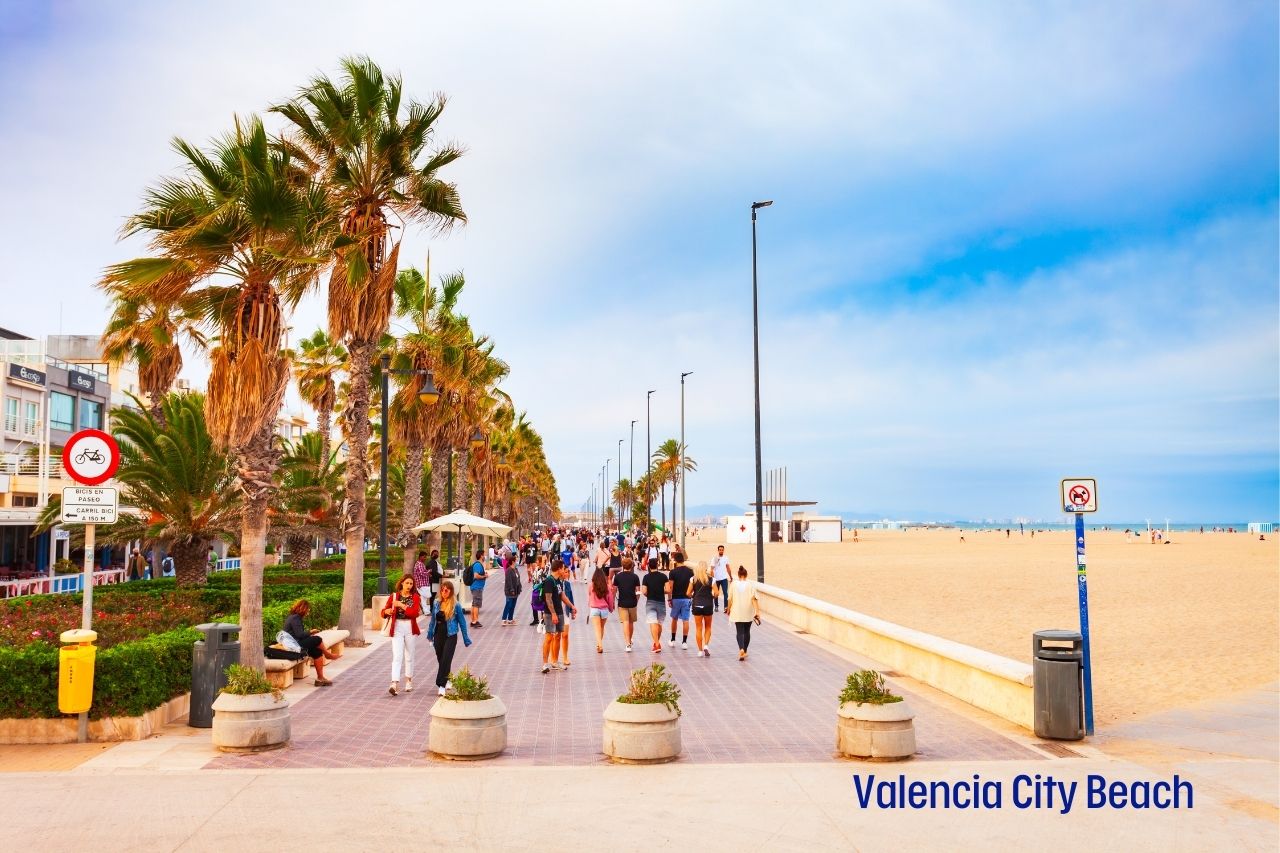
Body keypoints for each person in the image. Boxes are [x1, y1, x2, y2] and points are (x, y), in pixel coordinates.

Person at [426, 580, 472, 696]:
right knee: (441, 659)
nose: (444, 592)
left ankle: (441, 685)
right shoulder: (436, 603)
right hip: (438, 635)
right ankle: (448, 679)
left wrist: (466, 638)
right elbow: (432, 621)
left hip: (450, 635)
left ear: (451, 591)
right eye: (442, 590)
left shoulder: (456, 605)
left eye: (447, 590)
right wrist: (430, 635)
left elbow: (462, 623)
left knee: (446, 658)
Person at [380, 574, 423, 696]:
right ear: (402, 583)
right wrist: (387, 611)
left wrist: (402, 605)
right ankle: (394, 683)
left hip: (410, 627)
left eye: (411, 584)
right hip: (397, 627)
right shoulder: (394, 596)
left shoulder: (415, 597)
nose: (409, 586)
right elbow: (383, 611)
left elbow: (414, 613)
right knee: (397, 655)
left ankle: (409, 680)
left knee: (409, 655)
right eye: (407, 583)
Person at [283, 599, 338, 686]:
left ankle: (320, 678)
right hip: (293, 645)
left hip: (295, 643)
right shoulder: (295, 618)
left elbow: (298, 635)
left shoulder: (295, 617)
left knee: (317, 651)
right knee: (317, 639)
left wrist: (309, 635)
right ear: (303, 608)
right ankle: (327, 654)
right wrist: (311, 632)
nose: (309, 611)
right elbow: (299, 634)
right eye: (308, 609)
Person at [540, 563, 578, 673]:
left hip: (560, 612)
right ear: (558, 569)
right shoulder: (549, 581)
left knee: (557, 637)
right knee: (549, 638)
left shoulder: (558, 581)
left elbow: (562, 596)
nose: (564, 570)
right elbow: (548, 599)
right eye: (562, 568)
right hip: (550, 614)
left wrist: (571, 606)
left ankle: (555, 662)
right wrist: (553, 614)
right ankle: (545, 664)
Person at [726, 565, 760, 661]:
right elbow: (754, 599)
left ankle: (741, 649)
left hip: (737, 611)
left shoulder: (733, 584)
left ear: (738, 575)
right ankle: (744, 650)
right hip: (748, 611)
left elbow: (729, 599)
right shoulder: (750, 585)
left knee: (739, 631)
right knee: (747, 631)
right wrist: (757, 612)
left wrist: (728, 609)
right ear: (746, 575)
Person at [610, 556, 641, 652]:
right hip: (632, 602)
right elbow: (638, 591)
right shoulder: (635, 577)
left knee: (625, 623)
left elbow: (614, 590)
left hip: (622, 602)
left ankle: (627, 644)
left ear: (623, 566)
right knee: (631, 623)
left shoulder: (618, 576)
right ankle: (630, 640)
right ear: (631, 566)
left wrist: (612, 602)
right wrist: (637, 600)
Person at [641, 558, 671, 653]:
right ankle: (657, 643)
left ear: (649, 566)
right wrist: (660, 590)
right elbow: (668, 590)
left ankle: (656, 644)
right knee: (659, 623)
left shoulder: (646, 577)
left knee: (653, 623)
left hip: (650, 602)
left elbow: (644, 591)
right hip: (661, 602)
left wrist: (650, 593)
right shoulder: (663, 576)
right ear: (657, 565)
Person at [667, 551, 694, 649]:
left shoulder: (673, 572)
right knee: (685, 620)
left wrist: (669, 599)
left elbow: (670, 587)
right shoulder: (690, 572)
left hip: (676, 598)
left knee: (674, 619)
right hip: (687, 598)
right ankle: (684, 642)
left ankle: (673, 639)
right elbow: (692, 586)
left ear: (675, 560)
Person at [690, 560, 716, 656]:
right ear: (706, 568)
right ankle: (706, 645)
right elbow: (716, 593)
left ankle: (700, 650)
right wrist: (712, 596)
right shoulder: (711, 579)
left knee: (698, 628)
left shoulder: (693, 579)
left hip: (697, 605)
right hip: (708, 605)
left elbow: (688, 593)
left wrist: (693, 595)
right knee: (708, 626)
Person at [587, 567, 614, 654]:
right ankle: (599, 644)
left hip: (594, 608)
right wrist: (610, 608)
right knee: (601, 628)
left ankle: (600, 645)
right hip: (604, 610)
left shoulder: (591, 585)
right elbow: (610, 598)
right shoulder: (606, 586)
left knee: (597, 628)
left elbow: (589, 596)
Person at [468, 549, 487, 628]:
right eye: (484, 555)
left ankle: (473, 620)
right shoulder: (478, 565)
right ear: (481, 555)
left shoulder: (478, 564)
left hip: (476, 586)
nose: (485, 556)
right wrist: (484, 576)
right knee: (476, 604)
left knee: (474, 604)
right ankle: (475, 620)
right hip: (477, 587)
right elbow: (476, 575)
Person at [502, 555, 523, 625]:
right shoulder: (508, 570)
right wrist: (511, 590)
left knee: (513, 605)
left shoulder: (515, 569)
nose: (517, 561)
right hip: (510, 591)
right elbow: (509, 581)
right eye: (516, 560)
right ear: (513, 561)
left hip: (516, 590)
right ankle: (504, 619)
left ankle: (510, 619)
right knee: (508, 604)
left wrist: (520, 587)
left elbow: (518, 579)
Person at [710, 545, 731, 612]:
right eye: (720, 550)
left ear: (723, 550)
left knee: (726, 593)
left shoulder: (726, 558)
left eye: (722, 550)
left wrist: (730, 576)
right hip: (716, 579)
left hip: (724, 578)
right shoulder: (714, 558)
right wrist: (712, 578)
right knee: (716, 593)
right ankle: (716, 606)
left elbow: (728, 568)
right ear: (718, 550)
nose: (721, 551)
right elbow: (712, 569)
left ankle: (726, 607)